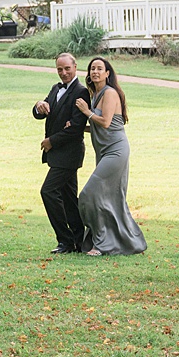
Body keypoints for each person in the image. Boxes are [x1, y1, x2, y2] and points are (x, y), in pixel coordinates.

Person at [73, 57, 146, 256]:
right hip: (103, 151)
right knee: (109, 198)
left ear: (107, 73)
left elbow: (105, 122)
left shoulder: (110, 93)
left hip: (116, 151)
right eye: (92, 69)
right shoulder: (95, 94)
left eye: (99, 68)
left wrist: (86, 112)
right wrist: (77, 128)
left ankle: (101, 244)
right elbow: (97, 126)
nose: (95, 71)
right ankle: (125, 242)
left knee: (90, 194)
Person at [32, 53, 88, 254]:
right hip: (59, 155)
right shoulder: (56, 88)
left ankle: (64, 240)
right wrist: (39, 106)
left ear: (75, 67)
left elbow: (76, 128)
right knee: (69, 199)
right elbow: (42, 112)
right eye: (59, 69)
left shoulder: (81, 92)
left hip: (69, 154)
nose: (63, 73)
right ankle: (78, 241)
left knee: (48, 191)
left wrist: (50, 142)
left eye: (67, 69)